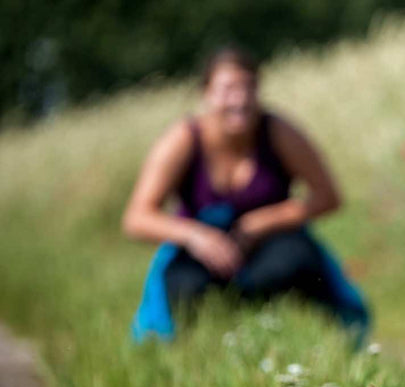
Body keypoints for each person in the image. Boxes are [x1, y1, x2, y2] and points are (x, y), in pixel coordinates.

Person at [123, 46, 369, 345]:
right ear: (207, 94)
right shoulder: (183, 139)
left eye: (248, 88)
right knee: (184, 285)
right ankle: (202, 347)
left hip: (269, 246)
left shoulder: (279, 132)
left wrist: (263, 221)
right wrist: (195, 236)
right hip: (201, 250)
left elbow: (328, 197)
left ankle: (314, 340)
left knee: (299, 261)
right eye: (228, 89)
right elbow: (136, 217)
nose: (239, 99)